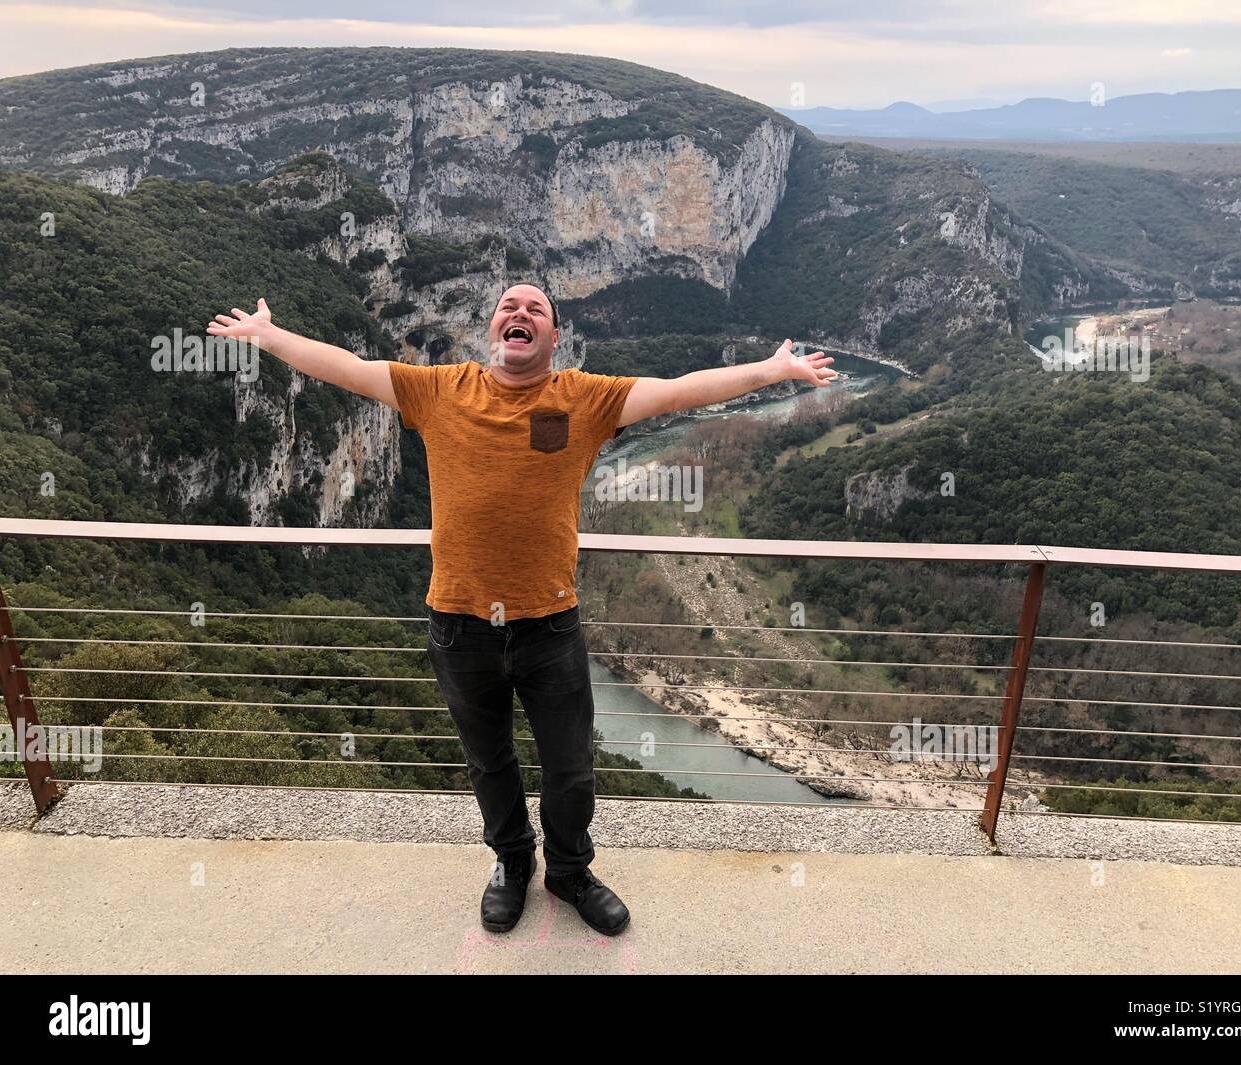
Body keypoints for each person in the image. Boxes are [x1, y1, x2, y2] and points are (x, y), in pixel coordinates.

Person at [207, 283, 836, 936]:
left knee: (570, 766)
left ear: (554, 338)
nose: (520, 313)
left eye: (536, 309)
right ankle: (511, 861)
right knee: (490, 761)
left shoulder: (586, 400)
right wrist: (268, 336)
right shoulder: (440, 390)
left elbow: (681, 390)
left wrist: (772, 370)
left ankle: (569, 869)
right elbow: (349, 368)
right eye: (508, 306)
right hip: (459, 623)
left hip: (549, 625)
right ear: (492, 331)